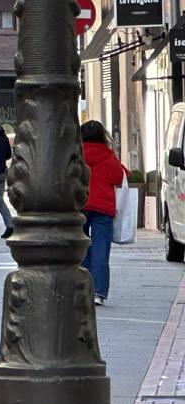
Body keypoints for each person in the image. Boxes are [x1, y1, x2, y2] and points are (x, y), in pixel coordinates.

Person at [80, 121, 128, 307]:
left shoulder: (77, 154)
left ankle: (84, 289)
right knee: (101, 250)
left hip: (81, 205)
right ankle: (99, 293)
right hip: (103, 208)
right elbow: (117, 177)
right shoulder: (108, 155)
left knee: (82, 247)